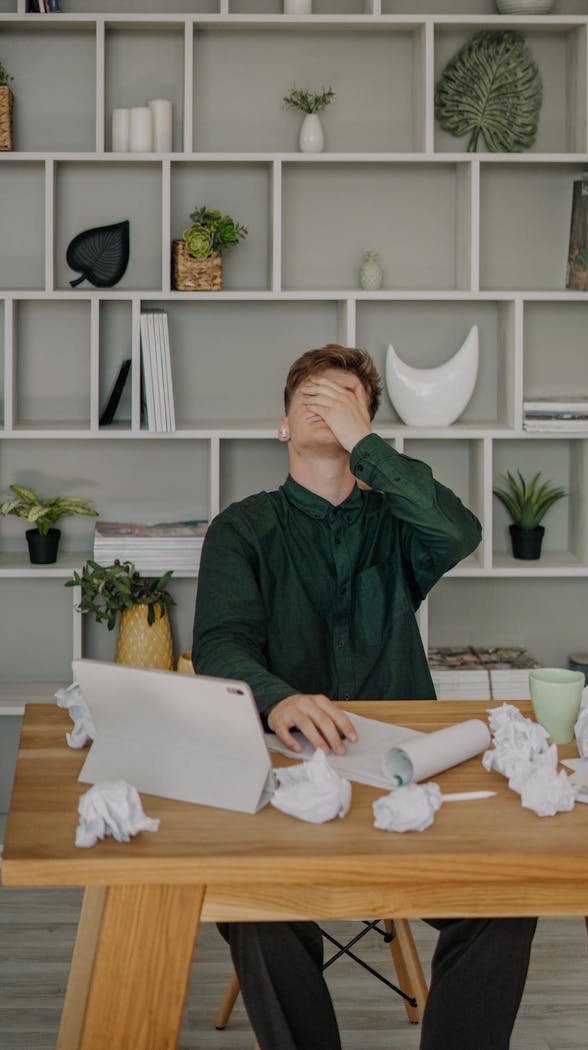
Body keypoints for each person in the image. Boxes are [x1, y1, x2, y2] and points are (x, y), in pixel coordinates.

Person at [192, 344, 536, 1050]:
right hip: (287, 777)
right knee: (256, 912)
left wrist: (365, 444)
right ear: (283, 426)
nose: (327, 406)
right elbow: (221, 645)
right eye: (311, 398)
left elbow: (459, 530)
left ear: (364, 426)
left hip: (408, 778)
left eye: (345, 399)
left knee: (508, 902)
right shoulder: (242, 529)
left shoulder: (397, 523)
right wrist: (279, 698)